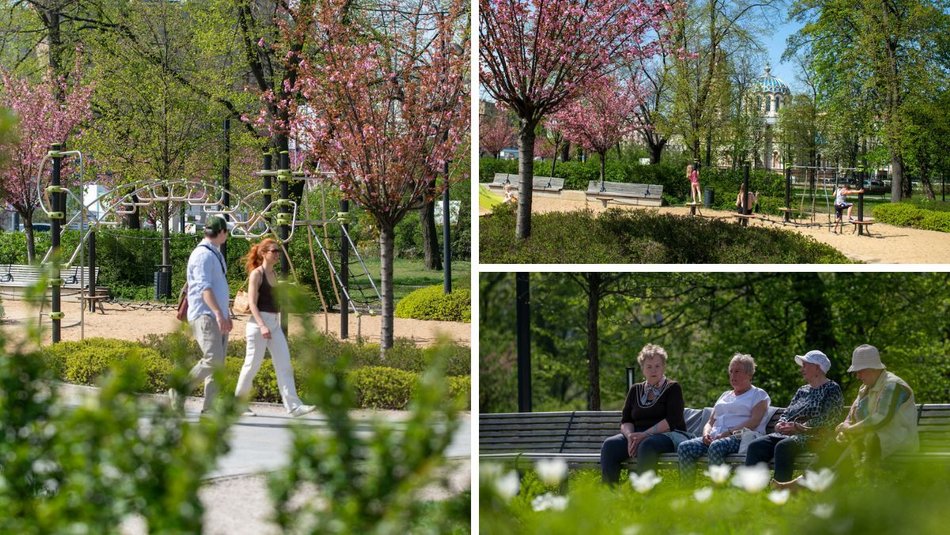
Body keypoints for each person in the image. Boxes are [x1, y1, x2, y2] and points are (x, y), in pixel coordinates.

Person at [233, 238, 315, 418]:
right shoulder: (257, 274)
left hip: (274, 324)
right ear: (263, 253)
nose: (278, 254)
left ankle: (294, 406)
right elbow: (252, 304)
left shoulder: (274, 274)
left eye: (278, 251)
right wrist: (262, 325)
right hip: (258, 325)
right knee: (251, 365)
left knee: (284, 363)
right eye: (274, 251)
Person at [744, 350, 844, 487]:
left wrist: (799, 427)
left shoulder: (832, 388)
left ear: (817, 367)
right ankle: (753, 488)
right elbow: (788, 412)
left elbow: (830, 418)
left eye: (805, 365)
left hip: (814, 436)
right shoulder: (802, 390)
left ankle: (782, 489)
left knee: (783, 447)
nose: (801, 369)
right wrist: (780, 423)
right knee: (755, 446)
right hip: (788, 434)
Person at [600, 344, 690, 484]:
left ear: (664, 367)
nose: (654, 370)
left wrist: (644, 435)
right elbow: (626, 420)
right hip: (638, 435)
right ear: (642, 369)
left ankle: (644, 493)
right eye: (649, 367)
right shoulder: (635, 389)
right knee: (610, 445)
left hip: (668, 435)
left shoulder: (673, 388)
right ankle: (609, 493)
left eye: (657, 366)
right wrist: (630, 437)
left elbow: (672, 420)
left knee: (647, 444)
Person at [171, 215, 232, 413]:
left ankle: (210, 408)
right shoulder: (202, 255)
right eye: (227, 231)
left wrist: (225, 313)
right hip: (205, 314)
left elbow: (218, 286)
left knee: (217, 365)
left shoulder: (214, 253)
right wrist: (219, 313)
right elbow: (204, 288)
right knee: (213, 358)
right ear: (220, 232)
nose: (228, 235)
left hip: (216, 314)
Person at [678, 354, 770, 482]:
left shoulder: (758, 394)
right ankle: (686, 490)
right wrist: (706, 434)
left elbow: (754, 421)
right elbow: (710, 421)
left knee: (717, 446)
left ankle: (718, 489)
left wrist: (728, 433)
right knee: (684, 447)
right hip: (715, 437)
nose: (732, 375)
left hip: (739, 437)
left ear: (749, 374)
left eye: (737, 371)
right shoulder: (725, 395)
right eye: (731, 371)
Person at [833, 344, 918, 466]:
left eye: (860, 371)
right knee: (833, 444)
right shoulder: (865, 388)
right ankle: (811, 477)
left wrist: (850, 430)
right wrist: (845, 429)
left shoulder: (893, 385)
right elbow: (852, 416)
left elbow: (881, 418)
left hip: (896, 442)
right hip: (870, 440)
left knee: (863, 443)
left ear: (873, 368)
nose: (857, 376)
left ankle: (830, 477)